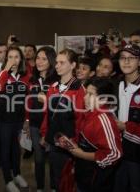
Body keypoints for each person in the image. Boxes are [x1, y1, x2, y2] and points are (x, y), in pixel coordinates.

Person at [40, 49, 85, 192]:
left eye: (62, 62)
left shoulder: (79, 89)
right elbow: (48, 114)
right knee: (54, 174)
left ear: (73, 65)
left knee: (67, 179)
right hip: (53, 139)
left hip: (69, 142)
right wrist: (44, 133)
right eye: (57, 62)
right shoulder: (53, 87)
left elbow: (80, 119)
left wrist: (74, 143)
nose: (57, 66)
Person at [69, 77, 122, 192]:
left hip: (95, 180)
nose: (85, 98)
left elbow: (114, 154)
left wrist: (82, 155)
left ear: (103, 100)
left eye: (91, 94)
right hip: (84, 174)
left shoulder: (103, 120)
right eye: (86, 93)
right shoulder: (88, 114)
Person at [114, 44, 140, 192]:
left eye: (132, 58)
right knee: (118, 186)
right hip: (118, 148)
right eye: (123, 58)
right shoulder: (117, 84)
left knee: (138, 186)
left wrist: (125, 127)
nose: (126, 62)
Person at [0, 46, 30, 192]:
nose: (13, 60)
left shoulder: (26, 76)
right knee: (5, 149)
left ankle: (16, 174)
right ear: (6, 59)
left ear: (21, 59)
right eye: (10, 57)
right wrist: (6, 69)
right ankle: (7, 179)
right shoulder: (2, 74)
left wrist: (27, 120)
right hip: (4, 119)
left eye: (17, 57)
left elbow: (29, 99)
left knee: (17, 149)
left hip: (19, 119)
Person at [24, 46, 58, 192]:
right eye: (38, 58)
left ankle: (54, 187)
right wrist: (26, 121)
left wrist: (47, 99)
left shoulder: (57, 80)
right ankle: (39, 187)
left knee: (53, 160)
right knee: (38, 159)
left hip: (52, 126)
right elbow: (29, 103)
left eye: (44, 59)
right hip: (35, 124)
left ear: (51, 61)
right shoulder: (32, 79)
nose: (39, 61)